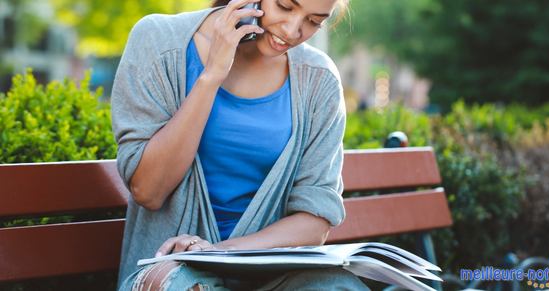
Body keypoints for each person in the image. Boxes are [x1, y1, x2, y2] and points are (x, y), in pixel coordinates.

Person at [111, 0, 369, 289]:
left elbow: (315, 219)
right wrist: (211, 76)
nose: (293, 29)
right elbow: (149, 191)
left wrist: (219, 252)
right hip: (176, 273)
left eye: (314, 21)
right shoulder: (157, 39)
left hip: (269, 276)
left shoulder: (319, 79)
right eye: (284, 6)